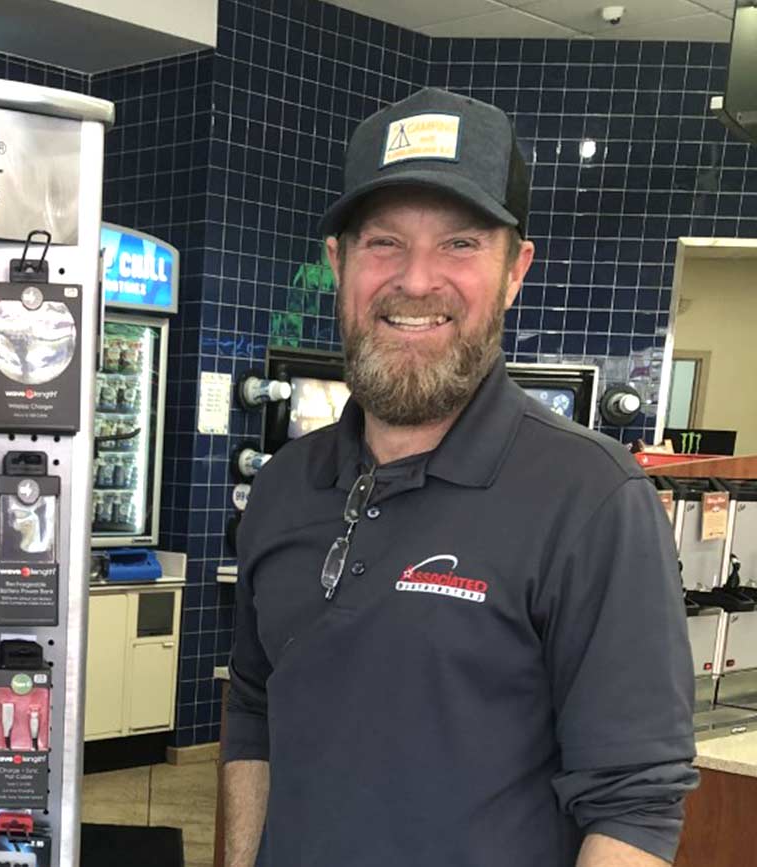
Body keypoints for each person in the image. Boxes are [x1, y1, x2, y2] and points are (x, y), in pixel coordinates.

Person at [222, 88, 697, 867]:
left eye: (461, 244)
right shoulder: (282, 488)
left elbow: (635, 804)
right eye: (384, 242)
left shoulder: (591, 498)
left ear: (516, 271)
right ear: (339, 263)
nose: (416, 281)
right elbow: (254, 708)